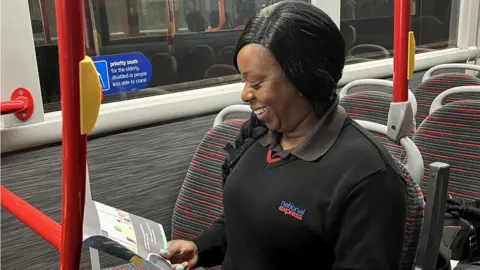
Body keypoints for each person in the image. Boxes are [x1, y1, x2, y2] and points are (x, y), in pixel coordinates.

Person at [160, 2, 407, 269]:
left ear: (303, 79)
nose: (244, 94)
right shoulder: (257, 135)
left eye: (255, 83)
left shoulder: (369, 178)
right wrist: (202, 247)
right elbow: (247, 219)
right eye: (243, 82)